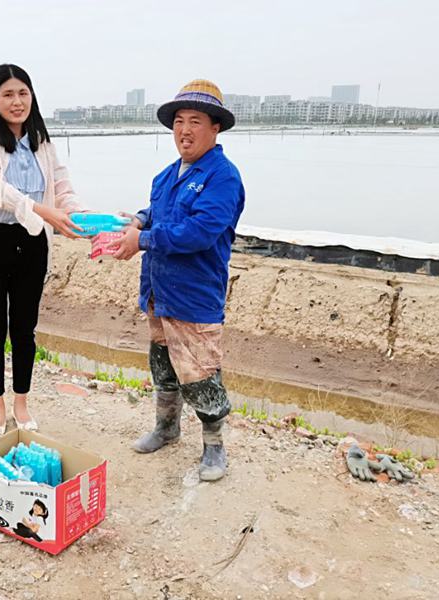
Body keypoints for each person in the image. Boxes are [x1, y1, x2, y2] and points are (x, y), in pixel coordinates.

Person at [108, 79, 245, 482]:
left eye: (195, 121)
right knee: (163, 364)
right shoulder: (166, 175)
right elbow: (156, 213)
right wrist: (138, 221)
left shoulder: (223, 177)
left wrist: (142, 240)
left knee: (200, 371)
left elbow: (200, 231)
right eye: (179, 121)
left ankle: (214, 446)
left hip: (194, 293)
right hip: (159, 291)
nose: (184, 130)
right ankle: (166, 427)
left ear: (215, 127)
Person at [0, 64, 84, 439]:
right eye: (7, 94)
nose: (17, 101)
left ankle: (21, 403)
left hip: (32, 242)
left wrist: (77, 215)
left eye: (23, 93)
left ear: (32, 96)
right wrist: (44, 212)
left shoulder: (41, 140)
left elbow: (60, 184)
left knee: (25, 330)